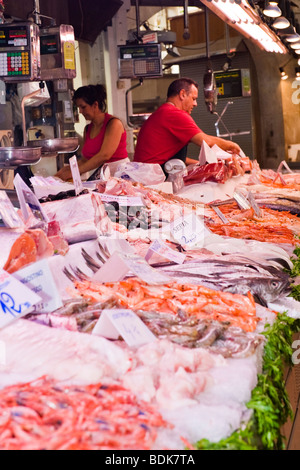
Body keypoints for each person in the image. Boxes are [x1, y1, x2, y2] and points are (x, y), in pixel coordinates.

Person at [133, 77, 241, 174]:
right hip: (152, 177)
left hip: (146, 173)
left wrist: (200, 165)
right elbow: (206, 142)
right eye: (194, 99)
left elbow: (169, 157)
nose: (195, 104)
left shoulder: (163, 112)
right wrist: (232, 145)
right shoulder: (174, 114)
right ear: (182, 94)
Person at [55, 84, 129, 181]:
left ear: (95, 105)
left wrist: (76, 172)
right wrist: (66, 170)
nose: (80, 111)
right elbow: (86, 159)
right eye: (78, 108)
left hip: (121, 177)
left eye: (83, 107)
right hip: (104, 178)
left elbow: (104, 155)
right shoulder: (88, 129)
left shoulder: (113, 124)